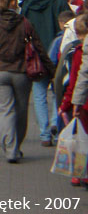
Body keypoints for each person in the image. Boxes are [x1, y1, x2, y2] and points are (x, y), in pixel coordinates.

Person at [0, 0, 55, 163]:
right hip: (21, 72)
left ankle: (10, 149)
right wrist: (51, 70)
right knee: (21, 111)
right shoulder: (25, 23)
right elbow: (38, 47)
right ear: (14, 3)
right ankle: (16, 146)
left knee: (5, 111)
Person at [20, 0, 70, 145]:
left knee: (39, 95)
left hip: (36, 57)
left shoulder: (28, 3)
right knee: (58, 94)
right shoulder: (60, 3)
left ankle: (44, 134)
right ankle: (57, 130)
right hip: (59, 56)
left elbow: (22, 29)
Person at [57, 14, 88, 187]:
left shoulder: (79, 53)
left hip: (84, 103)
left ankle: (81, 173)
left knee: (82, 139)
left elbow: (76, 81)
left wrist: (66, 104)